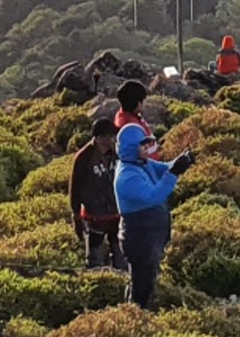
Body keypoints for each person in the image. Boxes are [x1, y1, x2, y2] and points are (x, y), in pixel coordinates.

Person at [113, 123, 194, 308]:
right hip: (139, 238)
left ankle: (134, 311)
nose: (146, 148)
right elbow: (154, 196)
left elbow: (164, 168)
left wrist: (182, 161)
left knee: (143, 280)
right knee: (142, 284)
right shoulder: (127, 177)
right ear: (131, 148)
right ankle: (135, 315)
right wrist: (174, 173)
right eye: (142, 145)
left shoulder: (141, 164)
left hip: (148, 236)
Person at [69, 118, 124, 269]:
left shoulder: (118, 153)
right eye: (107, 136)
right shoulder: (84, 157)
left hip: (117, 213)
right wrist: (76, 215)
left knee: (121, 257)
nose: (111, 140)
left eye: (112, 136)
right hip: (94, 215)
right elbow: (75, 187)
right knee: (95, 259)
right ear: (98, 138)